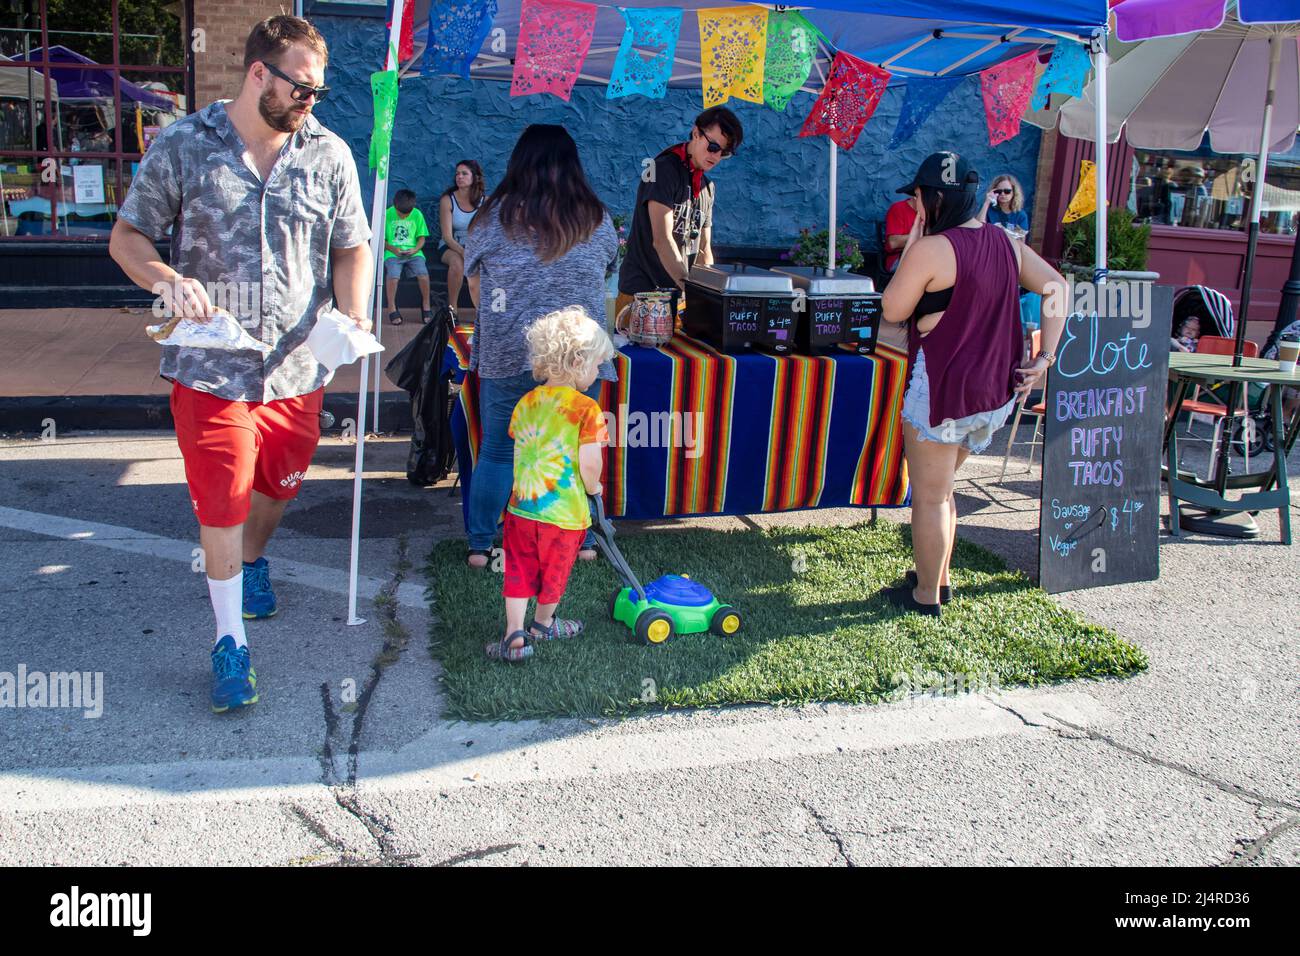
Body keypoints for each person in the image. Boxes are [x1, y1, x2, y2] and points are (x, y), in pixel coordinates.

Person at [108, 15, 372, 712]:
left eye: (318, 91)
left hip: (297, 366)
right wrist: (164, 278)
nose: (312, 102)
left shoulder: (328, 155)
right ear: (260, 74)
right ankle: (231, 643)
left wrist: (353, 310)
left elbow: (353, 246)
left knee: (279, 487)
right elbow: (127, 236)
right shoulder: (185, 145)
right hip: (210, 365)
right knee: (221, 498)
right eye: (304, 89)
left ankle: (254, 562)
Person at [880, 152, 1066, 617]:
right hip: (994, 394)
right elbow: (1057, 287)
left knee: (929, 496)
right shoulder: (1007, 243)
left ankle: (926, 597)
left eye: (919, 197)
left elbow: (893, 310)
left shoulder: (930, 249)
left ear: (934, 198)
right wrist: (1046, 357)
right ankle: (935, 576)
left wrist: (915, 242)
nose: (916, 205)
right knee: (942, 489)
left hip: (943, 392)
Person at [463, 124, 618, 569]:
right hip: (578, 358)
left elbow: (474, 287)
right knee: (574, 446)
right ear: (574, 167)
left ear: (518, 163)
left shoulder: (491, 218)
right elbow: (606, 268)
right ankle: (582, 540)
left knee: (497, 449)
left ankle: (480, 546)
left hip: (509, 351)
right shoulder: (597, 219)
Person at [489, 307, 613, 663]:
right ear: (577, 361)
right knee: (554, 571)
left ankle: (514, 630)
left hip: (522, 509)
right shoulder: (586, 409)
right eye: (595, 366)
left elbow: (522, 449)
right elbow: (590, 464)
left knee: (519, 569)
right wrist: (595, 488)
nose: (596, 373)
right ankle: (543, 625)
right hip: (564, 515)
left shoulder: (526, 403)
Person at [617, 106, 743, 312]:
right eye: (713, 147)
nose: (716, 156)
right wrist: (691, 288)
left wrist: (708, 293)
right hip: (641, 295)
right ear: (696, 133)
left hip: (679, 297)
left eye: (724, 152)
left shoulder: (707, 187)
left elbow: (704, 250)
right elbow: (662, 239)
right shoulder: (661, 170)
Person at [439, 159, 484, 318]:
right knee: (457, 263)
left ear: (475, 177)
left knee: (484, 265)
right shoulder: (447, 200)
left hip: (475, 245)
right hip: (451, 245)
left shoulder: (484, 201)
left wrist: (475, 252)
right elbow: (447, 236)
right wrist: (465, 253)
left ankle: (482, 312)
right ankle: (453, 310)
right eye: (457, 173)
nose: (459, 177)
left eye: (464, 173)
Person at [383, 188, 431, 326]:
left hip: (414, 253)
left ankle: (426, 304)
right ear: (394, 205)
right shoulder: (387, 214)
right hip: (393, 252)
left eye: (407, 214)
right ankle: (392, 306)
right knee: (393, 275)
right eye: (400, 214)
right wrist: (393, 249)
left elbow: (422, 239)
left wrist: (415, 249)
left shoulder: (417, 214)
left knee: (423, 274)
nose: (404, 217)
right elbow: (382, 240)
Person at [883, 195, 918, 272]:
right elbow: (893, 243)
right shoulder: (898, 208)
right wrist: (922, 234)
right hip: (899, 258)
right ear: (916, 196)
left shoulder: (931, 211)